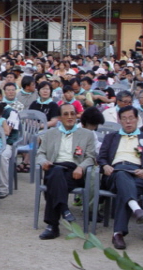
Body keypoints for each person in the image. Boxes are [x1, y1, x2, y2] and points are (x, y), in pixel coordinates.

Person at [97, 106, 143, 250]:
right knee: (121, 175)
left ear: (137, 119)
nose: (128, 122)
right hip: (115, 172)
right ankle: (136, 207)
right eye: (124, 119)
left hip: (137, 174)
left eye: (131, 118)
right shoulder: (111, 137)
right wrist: (105, 166)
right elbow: (102, 158)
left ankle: (118, 233)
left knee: (125, 188)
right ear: (119, 120)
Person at [35, 103, 96, 240]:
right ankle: (63, 208)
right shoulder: (50, 134)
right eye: (66, 114)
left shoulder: (87, 134)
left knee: (54, 180)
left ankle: (52, 226)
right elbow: (40, 154)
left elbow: (91, 157)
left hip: (74, 172)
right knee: (55, 172)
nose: (70, 117)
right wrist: (44, 162)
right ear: (60, 118)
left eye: (72, 114)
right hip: (54, 167)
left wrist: (81, 167)